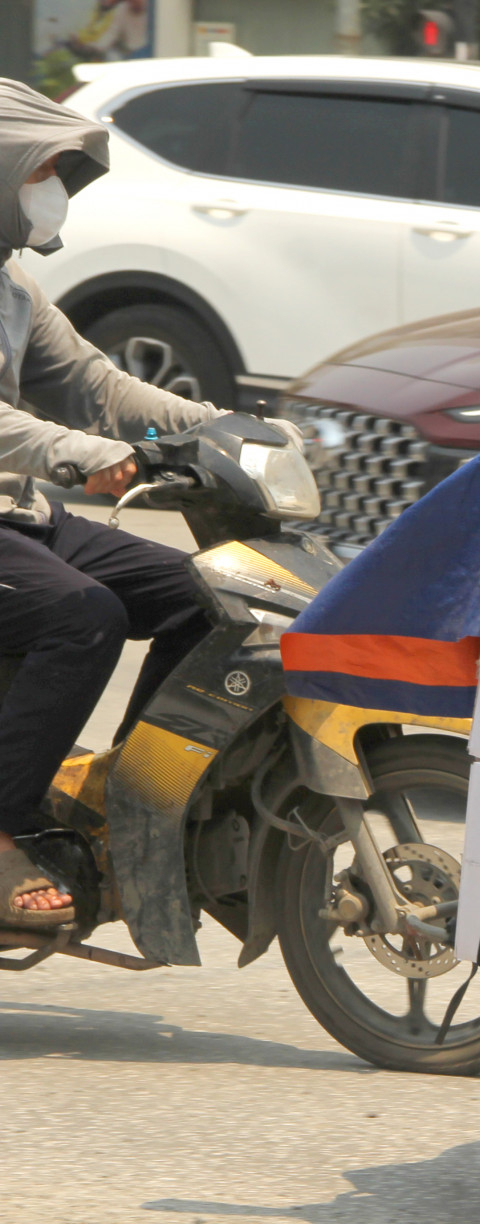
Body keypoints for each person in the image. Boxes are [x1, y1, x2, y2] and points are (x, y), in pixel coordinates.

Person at [0, 79, 223, 929]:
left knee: (212, 593)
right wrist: (81, 453)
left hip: (18, 513)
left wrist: (225, 428)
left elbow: (96, 383)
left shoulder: (11, 285)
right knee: (81, 614)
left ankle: (115, 801)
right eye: (44, 170)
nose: (53, 190)